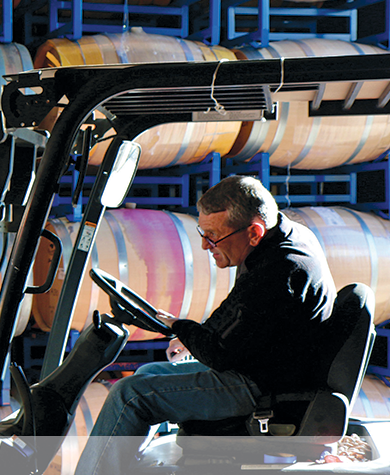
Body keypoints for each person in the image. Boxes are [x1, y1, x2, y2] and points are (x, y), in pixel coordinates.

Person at [74, 175, 338, 473]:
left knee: (130, 394)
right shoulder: (282, 240)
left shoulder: (278, 272)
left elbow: (219, 354)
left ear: (253, 232)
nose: (204, 245)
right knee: (147, 373)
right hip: (265, 365)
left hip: (263, 386)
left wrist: (183, 328)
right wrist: (187, 332)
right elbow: (239, 313)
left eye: (212, 236)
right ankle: (123, 465)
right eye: (203, 233)